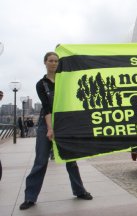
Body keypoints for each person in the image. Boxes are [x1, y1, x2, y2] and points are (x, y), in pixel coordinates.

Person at [19, 52, 93, 210]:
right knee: (40, 161)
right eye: (50, 61)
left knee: (71, 160)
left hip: (65, 124)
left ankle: (79, 190)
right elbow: (47, 108)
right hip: (47, 123)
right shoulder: (41, 84)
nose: (53, 63)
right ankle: (30, 197)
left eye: (56, 61)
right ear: (45, 62)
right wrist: (50, 129)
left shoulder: (65, 81)